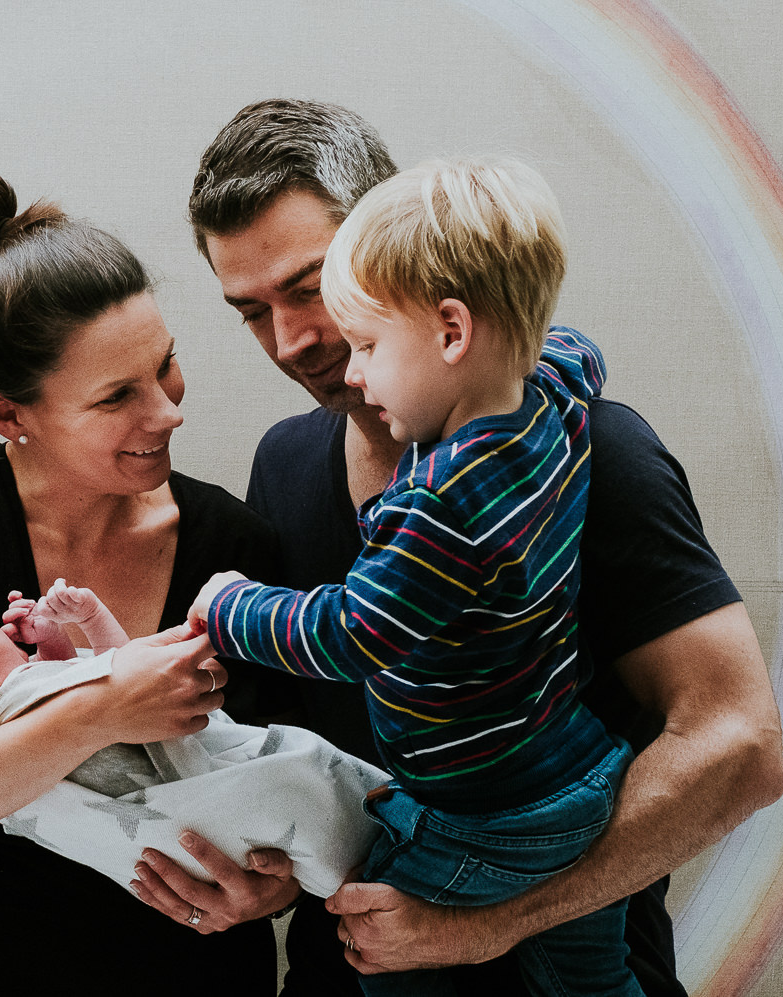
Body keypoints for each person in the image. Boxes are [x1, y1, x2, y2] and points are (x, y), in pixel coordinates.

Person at [126, 99, 783, 996]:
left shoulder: (597, 447)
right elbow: (304, 754)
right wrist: (266, 875)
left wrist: (488, 923)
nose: (292, 342)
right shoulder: (285, 462)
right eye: (250, 311)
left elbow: (741, 748)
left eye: (310, 286)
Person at [0, 169, 283, 996]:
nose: (169, 411)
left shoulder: (236, 548)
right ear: (8, 414)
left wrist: (270, 886)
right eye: (117, 396)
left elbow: (270, 780)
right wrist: (109, 703)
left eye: (166, 365)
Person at [192, 156, 637, 996]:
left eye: (363, 339)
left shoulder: (436, 500)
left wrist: (229, 606)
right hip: (581, 772)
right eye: (252, 312)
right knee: (596, 983)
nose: (345, 367)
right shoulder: (553, 395)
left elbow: (352, 629)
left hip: (485, 811)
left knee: (378, 936)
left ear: (451, 330)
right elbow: (577, 350)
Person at [0, 593, 386, 900]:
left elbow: (73, 685)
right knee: (345, 792)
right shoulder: (24, 698)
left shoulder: (8, 730)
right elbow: (134, 682)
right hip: (200, 791)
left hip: (188, 849)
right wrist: (89, 619)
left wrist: (48, 642)